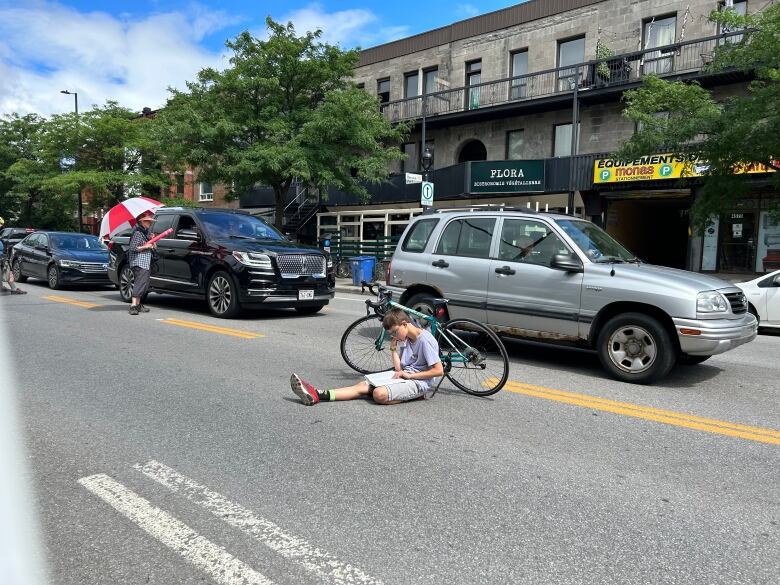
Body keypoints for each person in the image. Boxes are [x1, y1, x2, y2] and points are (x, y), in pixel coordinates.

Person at [290, 308, 443, 405]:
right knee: (363, 385)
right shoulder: (405, 339)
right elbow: (399, 368)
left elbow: (438, 371)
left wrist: (409, 376)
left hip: (419, 383)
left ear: (405, 324)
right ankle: (318, 394)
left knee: (378, 394)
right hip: (405, 377)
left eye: (395, 332)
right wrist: (393, 349)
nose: (394, 336)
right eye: (391, 334)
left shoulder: (425, 340)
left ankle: (414, 396)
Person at [127, 210, 156, 315]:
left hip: (145, 262)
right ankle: (133, 305)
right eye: (148, 221)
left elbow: (153, 247)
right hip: (138, 262)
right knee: (140, 283)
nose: (150, 223)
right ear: (142, 222)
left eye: (150, 221)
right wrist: (146, 246)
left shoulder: (144, 233)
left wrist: (152, 240)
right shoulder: (138, 233)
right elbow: (133, 248)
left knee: (144, 283)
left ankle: (138, 305)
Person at [0, 219, 26, 295]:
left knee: (7, 272)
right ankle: (8, 288)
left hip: (2, 257)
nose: (1, 226)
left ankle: (13, 288)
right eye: (0, 224)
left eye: (1, 224)